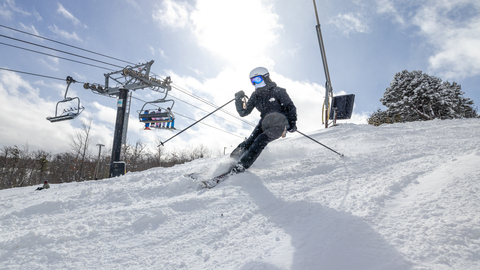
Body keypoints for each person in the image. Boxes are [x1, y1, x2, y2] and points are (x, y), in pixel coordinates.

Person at [230, 67, 297, 173]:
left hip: (279, 124)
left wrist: (292, 123)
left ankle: (242, 166)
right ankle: (231, 161)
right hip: (264, 123)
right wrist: (238, 99)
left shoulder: (278, 91)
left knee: (260, 141)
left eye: (257, 79)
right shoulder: (255, 95)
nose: (255, 83)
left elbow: (290, 107)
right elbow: (244, 112)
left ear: (266, 77)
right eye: (253, 81)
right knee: (248, 142)